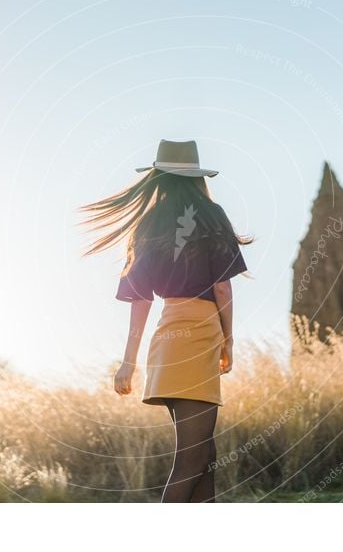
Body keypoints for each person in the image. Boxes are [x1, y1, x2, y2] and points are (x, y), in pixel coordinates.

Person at [78, 139, 253, 502]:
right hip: (200, 335)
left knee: (205, 457)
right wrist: (228, 339)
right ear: (196, 177)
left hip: (167, 337)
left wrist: (129, 362)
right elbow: (222, 289)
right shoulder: (211, 215)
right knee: (192, 460)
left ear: (158, 178)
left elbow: (139, 299)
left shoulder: (148, 224)